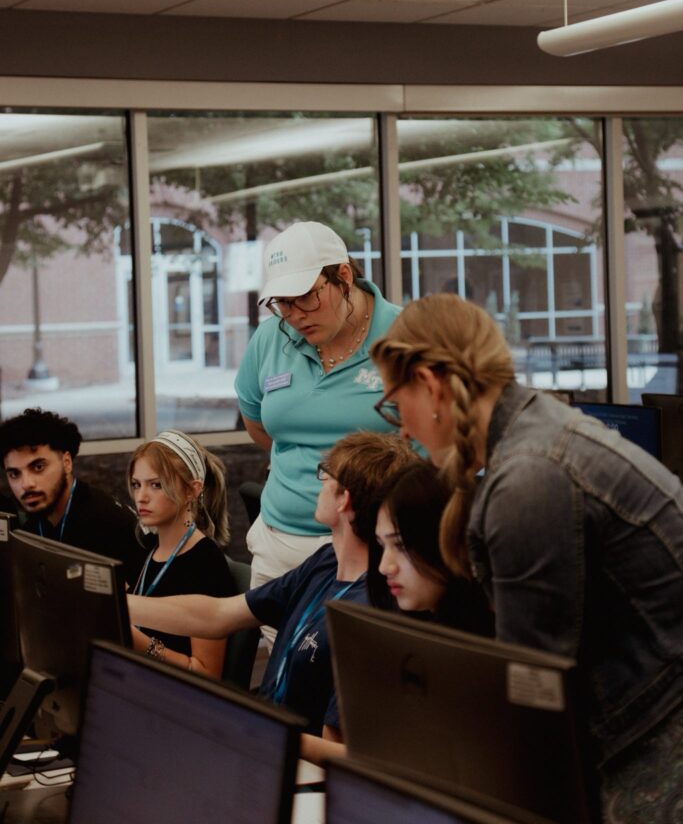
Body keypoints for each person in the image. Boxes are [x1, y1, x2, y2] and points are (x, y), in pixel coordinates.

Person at [371, 293, 683, 823]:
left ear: (429, 384)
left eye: (395, 405)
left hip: (660, 737)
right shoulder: (533, 431)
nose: (400, 428)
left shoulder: (529, 478)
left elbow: (533, 692)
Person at [127, 430, 420, 764]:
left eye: (325, 475)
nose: (318, 483)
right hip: (263, 744)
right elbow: (218, 615)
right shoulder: (325, 562)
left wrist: (251, 732)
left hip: (289, 764)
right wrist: (120, 604)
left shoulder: (371, 606)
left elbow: (342, 749)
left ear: (344, 499)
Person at [235, 221, 401, 601]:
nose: (294, 315)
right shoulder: (271, 337)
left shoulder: (403, 334)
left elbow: (429, 448)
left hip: (371, 550)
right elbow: (259, 426)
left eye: (306, 297)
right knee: (282, 656)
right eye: (282, 302)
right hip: (278, 544)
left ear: (343, 276)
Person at [128, 429, 235, 678]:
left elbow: (206, 674)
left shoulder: (205, 563)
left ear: (192, 490)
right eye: (136, 485)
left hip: (178, 700)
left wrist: (139, 642)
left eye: (156, 485)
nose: (141, 497)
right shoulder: (147, 549)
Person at [0, 407, 141, 584]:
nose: (26, 484)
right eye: (14, 474)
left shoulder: (107, 524)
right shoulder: (32, 526)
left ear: (66, 463)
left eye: (38, 467)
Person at [369, 460, 493, 635]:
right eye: (382, 546)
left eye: (401, 545)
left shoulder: (497, 640)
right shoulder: (411, 626)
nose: (384, 568)